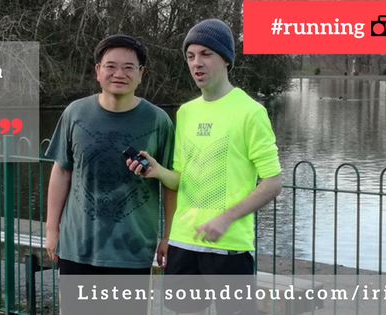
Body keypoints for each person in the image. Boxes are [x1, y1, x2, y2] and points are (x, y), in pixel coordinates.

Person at [127, 19, 283, 315]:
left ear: (226, 59)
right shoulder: (185, 112)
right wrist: (159, 171)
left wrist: (225, 219)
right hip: (183, 244)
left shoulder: (251, 112)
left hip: (229, 248)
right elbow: (180, 179)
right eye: (190, 56)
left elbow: (273, 182)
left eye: (206, 54)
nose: (196, 63)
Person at [44, 34, 175, 277]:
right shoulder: (75, 113)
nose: (119, 74)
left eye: (128, 67)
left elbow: (172, 184)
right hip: (77, 247)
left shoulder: (158, 121)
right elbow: (61, 171)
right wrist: (52, 229)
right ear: (97, 71)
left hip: (132, 252)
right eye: (111, 66)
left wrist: (169, 236)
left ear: (140, 74)